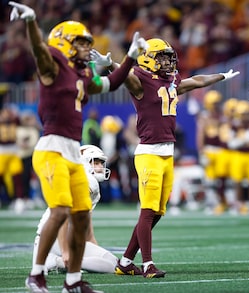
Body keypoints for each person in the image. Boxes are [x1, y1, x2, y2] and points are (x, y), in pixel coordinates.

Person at [8, 1, 147, 292]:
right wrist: (32, 22)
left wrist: (131, 58)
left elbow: (110, 83)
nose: (87, 48)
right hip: (51, 148)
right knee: (60, 211)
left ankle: (72, 281)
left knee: (81, 215)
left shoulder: (81, 75)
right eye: (81, 43)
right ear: (64, 44)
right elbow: (38, 51)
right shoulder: (52, 67)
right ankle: (36, 275)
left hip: (72, 150)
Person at [91, 38, 239, 278]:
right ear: (148, 58)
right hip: (149, 153)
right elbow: (125, 76)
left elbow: (196, 81)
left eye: (169, 56)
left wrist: (220, 76)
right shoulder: (141, 80)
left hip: (166, 154)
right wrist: (110, 66)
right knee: (147, 211)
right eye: (162, 57)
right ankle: (148, 264)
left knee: (157, 212)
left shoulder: (170, 80)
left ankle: (126, 261)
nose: (168, 61)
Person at [33, 145, 118, 274]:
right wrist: (66, 251)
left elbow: (87, 229)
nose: (100, 167)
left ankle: (59, 261)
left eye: (101, 163)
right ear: (84, 163)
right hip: (52, 239)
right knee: (111, 267)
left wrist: (96, 251)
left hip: (63, 238)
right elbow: (64, 217)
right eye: (95, 162)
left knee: (113, 261)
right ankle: (55, 261)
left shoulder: (93, 186)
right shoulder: (87, 182)